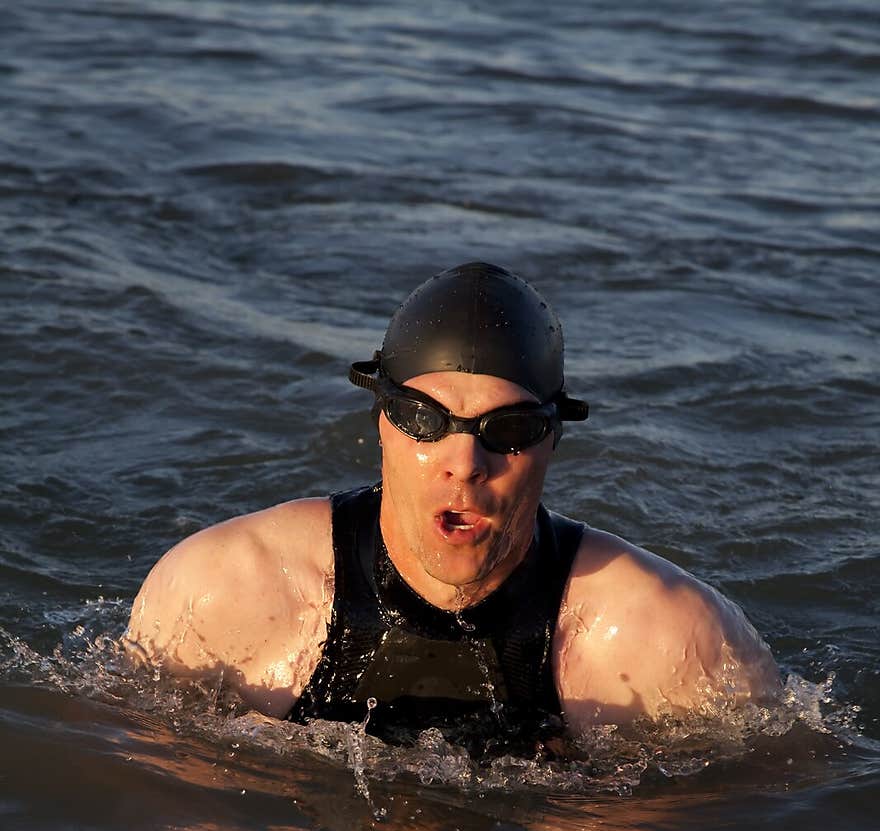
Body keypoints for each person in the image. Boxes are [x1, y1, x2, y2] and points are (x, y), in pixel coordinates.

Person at [125, 262, 781, 751]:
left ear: (553, 437)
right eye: (424, 420)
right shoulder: (227, 594)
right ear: (381, 420)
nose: (465, 462)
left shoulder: (667, 640)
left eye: (510, 430)